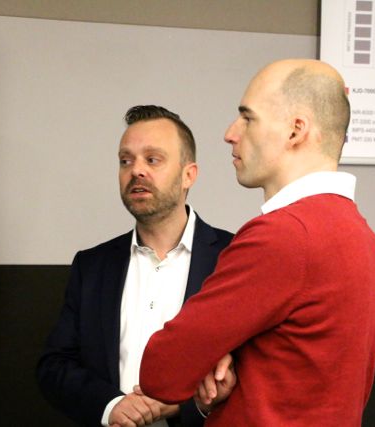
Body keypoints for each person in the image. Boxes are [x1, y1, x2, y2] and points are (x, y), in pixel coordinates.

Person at [139, 59, 375, 426]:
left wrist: (214, 358)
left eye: (248, 118)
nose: (230, 133)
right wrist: (229, 358)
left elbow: (161, 370)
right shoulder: (366, 240)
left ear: (295, 131)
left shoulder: (284, 236)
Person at [37, 105, 235, 426]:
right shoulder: (92, 266)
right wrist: (111, 405)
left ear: (189, 175)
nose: (136, 171)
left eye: (152, 159)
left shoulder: (233, 257)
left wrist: (186, 406)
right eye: (125, 161)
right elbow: (54, 366)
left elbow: (256, 370)